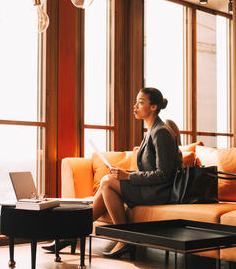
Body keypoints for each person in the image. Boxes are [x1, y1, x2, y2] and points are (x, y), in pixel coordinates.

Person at [43, 87, 183, 259]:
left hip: (159, 192)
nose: (135, 106)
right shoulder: (151, 130)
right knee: (106, 186)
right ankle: (73, 234)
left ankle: (120, 238)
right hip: (151, 187)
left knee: (107, 182)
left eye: (140, 102)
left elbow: (163, 175)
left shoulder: (161, 132)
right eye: (136, 101)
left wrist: (128, 176)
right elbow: (150, 170)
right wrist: (124, 172)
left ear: (153, 107)